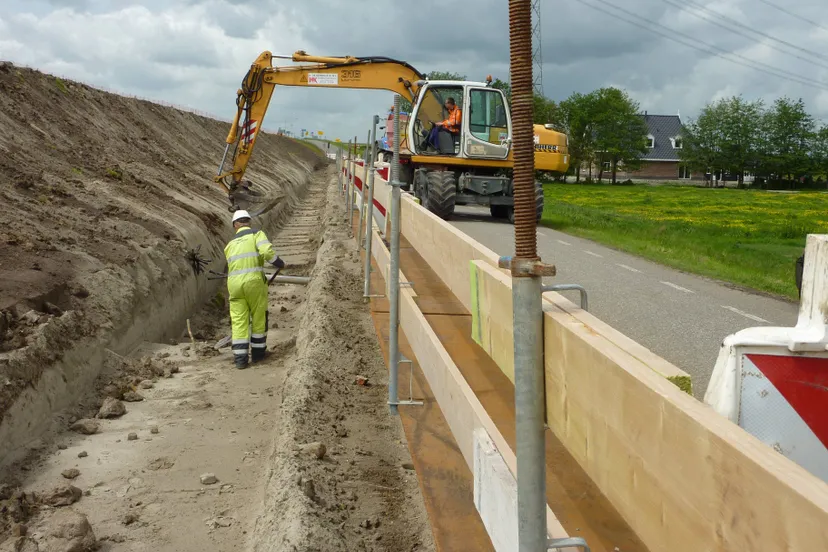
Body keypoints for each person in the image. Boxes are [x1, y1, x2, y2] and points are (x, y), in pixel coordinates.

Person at [224, 210, 285, 369]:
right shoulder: (257, 234)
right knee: (258, 317)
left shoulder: (229, 245)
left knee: (238, 320)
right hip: (253, 283)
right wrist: (278, 262)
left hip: (234, 285)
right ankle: (258, 355)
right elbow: (266, 252)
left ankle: (240, 359)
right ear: (248, 222)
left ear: (235, 225)